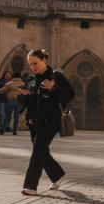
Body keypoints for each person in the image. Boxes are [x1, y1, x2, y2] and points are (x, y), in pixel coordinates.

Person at [17, 49, 75, 195]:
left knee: (37, 151)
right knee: (42, 152)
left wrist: (53, 87)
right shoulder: (31, 79)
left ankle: (30, 186)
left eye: (35, 63)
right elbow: (24, 102)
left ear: (44, 60)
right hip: (33, 121)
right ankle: (57, 175)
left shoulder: (56, 77)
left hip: (51, 121)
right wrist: (23, 95)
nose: (33, 67)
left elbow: (69, 96)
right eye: (30, 64)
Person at [0, 70, 24, 135]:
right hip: (19, 102)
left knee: (7, 116)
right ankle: (15, 131)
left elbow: (2, 90)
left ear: (13, 76)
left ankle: (2, 130)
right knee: (16, 117)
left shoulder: (9, 83)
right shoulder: (23, 84)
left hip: (10, 101)